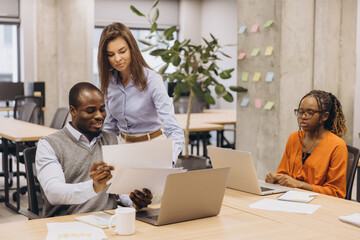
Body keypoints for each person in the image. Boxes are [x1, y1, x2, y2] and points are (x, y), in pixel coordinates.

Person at [36, 82, 152, 217]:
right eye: (90, 111)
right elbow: (53, 193)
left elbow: (120, 191)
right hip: (67, 226)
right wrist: (93, 187)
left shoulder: (113, 140)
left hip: (108, 222)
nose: (99, 116)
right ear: (73, 111)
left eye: (102, 109)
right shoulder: (49, 144)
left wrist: (134, 201)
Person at [97, 22, 184, 164]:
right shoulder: (109, 83)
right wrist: (106, 157)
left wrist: (169, 160)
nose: (117, 58)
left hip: (153, 148)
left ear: (132, 49)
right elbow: (110, 128)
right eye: (111, 54)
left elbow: (174, 130)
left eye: (122, 51)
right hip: (122, 149)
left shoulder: (152, 80)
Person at [265, 90, 348, 198]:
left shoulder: (337, 145)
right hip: (290, 199)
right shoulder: (294, 138)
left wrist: (300, 185)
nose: (303, 117)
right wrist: (275, 178)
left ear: (324, 116)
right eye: (300, 112)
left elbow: (336, 193)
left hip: (320, 204)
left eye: (310, 112)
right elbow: (283, 173)